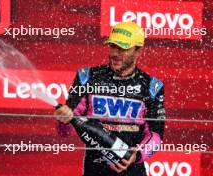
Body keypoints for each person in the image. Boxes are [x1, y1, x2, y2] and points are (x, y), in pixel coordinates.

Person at [54, 21, 165, 176]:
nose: (115, 53)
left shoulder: (152, 86)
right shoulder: (87, 77)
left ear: (138, 51)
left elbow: (155, 135)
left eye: (123, 48)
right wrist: (64, 119)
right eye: (112, 46)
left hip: (132, 170)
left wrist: (136, 155)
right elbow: (66, 131)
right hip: (95, 171)